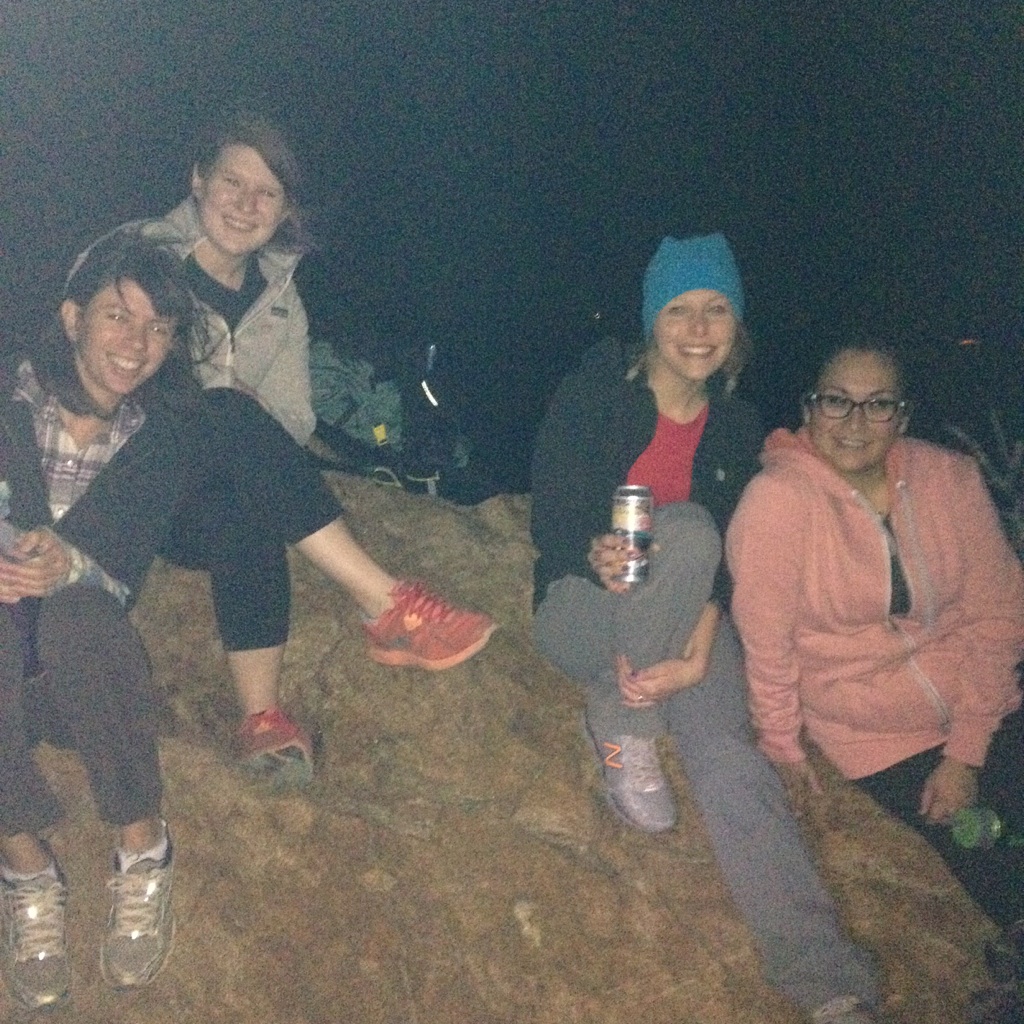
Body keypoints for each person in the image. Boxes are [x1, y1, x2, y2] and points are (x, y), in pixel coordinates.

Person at [531, 233, 888, 1024]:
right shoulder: (594, 394)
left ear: (737, 324)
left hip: (686, 613)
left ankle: (829, 983)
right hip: (581, 608)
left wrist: (698, 651)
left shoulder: (738, 423)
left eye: (716, 309)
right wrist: (593, 549)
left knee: (729, 756)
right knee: (688, 529)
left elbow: (733, 554)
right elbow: (552, 518)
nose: (698, 329)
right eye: (679, 310)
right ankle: (625, 720)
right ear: (651, 321)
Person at [83, 110, 495, 790]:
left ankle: (263, 720)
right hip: (111, 470)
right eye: (232, 182)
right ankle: (384, 601)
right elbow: (82, 355)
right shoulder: (138, 256)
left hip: (191, 504)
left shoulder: (279, 296)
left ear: (284, 210)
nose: (246, 204)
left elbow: (295, 418)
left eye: (267, 192)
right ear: (197, 181)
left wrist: (245, 411)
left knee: (245, 502)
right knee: (221, 409)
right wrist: (225, 402)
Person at [726, 342, 1024, 1022]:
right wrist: (783, 747)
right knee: (984, 842)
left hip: (986, 703)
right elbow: (767, 643)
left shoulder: (948, 480)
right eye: (837, 401)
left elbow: (1000, 613)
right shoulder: (777, 501)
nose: (855, 422)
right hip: (877, 735)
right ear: (810, 408)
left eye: (878, 404)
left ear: (903, 415)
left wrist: (967, 748)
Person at [0, 234, 205, 1010]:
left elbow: (124, 564)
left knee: (79, 611)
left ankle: (142, 844)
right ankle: (24, 863)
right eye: (119, 316)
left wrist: (72, 563)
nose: (137, 344)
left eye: (159, 328)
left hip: (84, 679)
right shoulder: (8, 401)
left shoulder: (162, 435)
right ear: (72, 317)